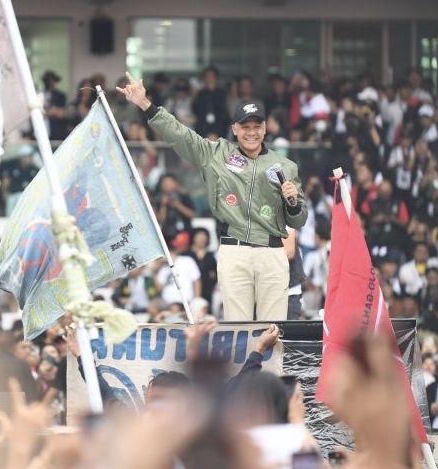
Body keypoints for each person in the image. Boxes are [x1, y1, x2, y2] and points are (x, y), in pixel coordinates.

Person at [118, 72, 307, 321]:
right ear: (234, 128)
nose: (252, 132)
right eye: (245, 126)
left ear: (264, 128)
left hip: (272, 252)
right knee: (238, 330)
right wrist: (146, 104)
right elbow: (180, 135)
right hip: (234, 250)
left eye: (257, 126)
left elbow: (298, 220)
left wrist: (292, 202)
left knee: (273, 329)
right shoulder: (216, 154)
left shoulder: (285, 166)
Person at [41, 70, 67, 140]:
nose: (50, 83)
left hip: (56, 132)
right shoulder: (41, 95)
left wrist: (46, 112)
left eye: (51, 80)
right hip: (43, 130)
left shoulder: (60, 96)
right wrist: (52, 111)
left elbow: (61, 113)